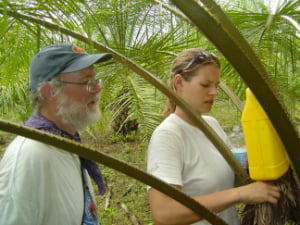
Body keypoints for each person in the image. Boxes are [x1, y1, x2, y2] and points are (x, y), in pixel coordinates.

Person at [147, 48, 281, 225]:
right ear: (179, 83)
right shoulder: (168, 135)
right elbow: (164, 213)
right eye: (205, 85)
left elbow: (230, 180)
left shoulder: (212, 124)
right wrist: (240, 194)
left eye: (216, 85)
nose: (214, 93)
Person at [0, 43, 113, 225]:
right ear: (50, 90)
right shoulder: (29, 155)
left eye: (96, 80)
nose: (97, 89)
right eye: (86, 82)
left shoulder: (65, 143)